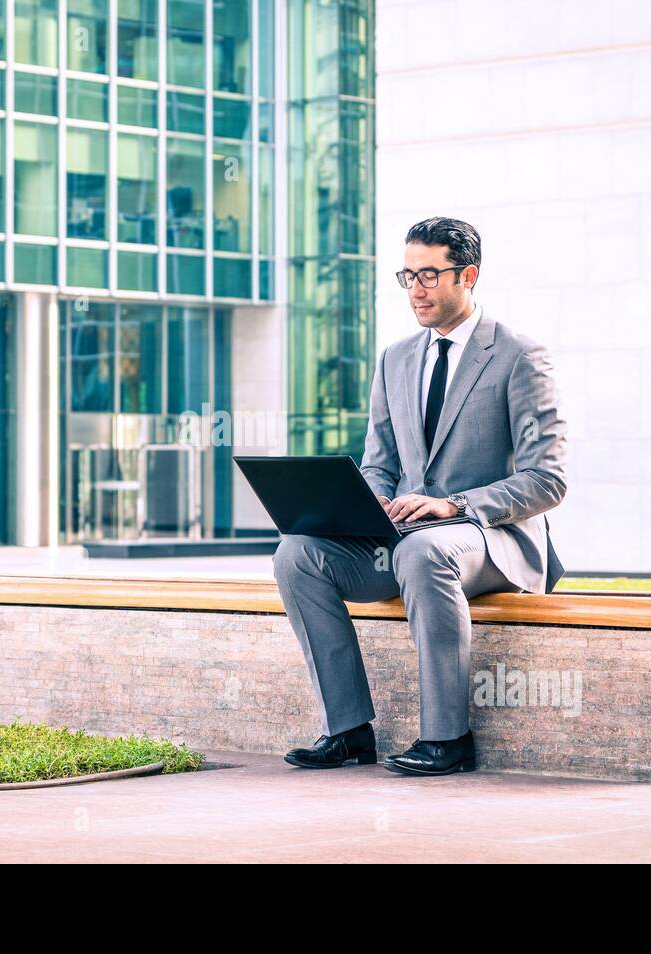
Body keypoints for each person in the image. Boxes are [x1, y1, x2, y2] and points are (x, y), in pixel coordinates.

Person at [272, 216, 568, 776]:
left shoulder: (519, 356)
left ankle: (447, 738)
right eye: (407, 276)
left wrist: (453, 506)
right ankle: (348, 730)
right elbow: (381, 466)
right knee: (297, 553)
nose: (416, 289)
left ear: (468, 276)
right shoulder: (396, 358)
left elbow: (547, 478)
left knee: (422, 551)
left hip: (491, 540)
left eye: (430, 275)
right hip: (408, 535)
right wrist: (354, 509)